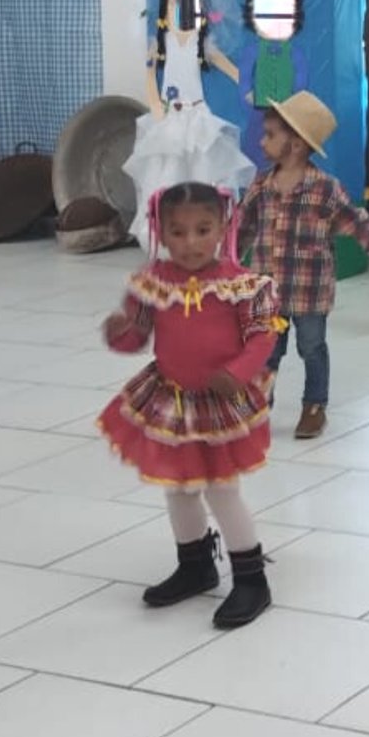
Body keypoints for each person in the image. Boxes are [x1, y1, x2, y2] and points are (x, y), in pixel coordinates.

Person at [99, 182, 281, 630]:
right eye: (177, 232)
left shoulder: (241, 285)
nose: (190, 243)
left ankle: (251, 579)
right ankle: (195, 564)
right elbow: (137, 337)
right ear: (160, 231)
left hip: (220, 402)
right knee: (178, 487)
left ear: (223, 227)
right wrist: (120, 332)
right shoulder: (153, 283)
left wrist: (238, 372)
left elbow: (262, 337)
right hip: (172, 401)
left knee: (221, 489)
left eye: (203, 229)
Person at [232, 92, 369, 441]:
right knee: (265, 350)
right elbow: (242, 226)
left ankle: (314, 406)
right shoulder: (261, 185)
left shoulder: (325, 189)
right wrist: (224, 262)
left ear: (296, 145)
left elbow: (358, 223)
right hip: (267, 289)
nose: (262, 142)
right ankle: (258, 405)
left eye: (270, 135)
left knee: (311, 348)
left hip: (309, 291)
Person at [122, 0, 251, 247]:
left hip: (197, 116)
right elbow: (150, 77)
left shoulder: (201, 44)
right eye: (170, 5)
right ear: (163, 8)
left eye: (180, 4)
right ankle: (164, 235)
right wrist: (156, 105)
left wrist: (249, 89)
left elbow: (231, 70)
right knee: (166, 171)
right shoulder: (160, 45)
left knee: (203, 171)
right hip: (170, 116)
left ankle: (209, 233)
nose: (175, 10)